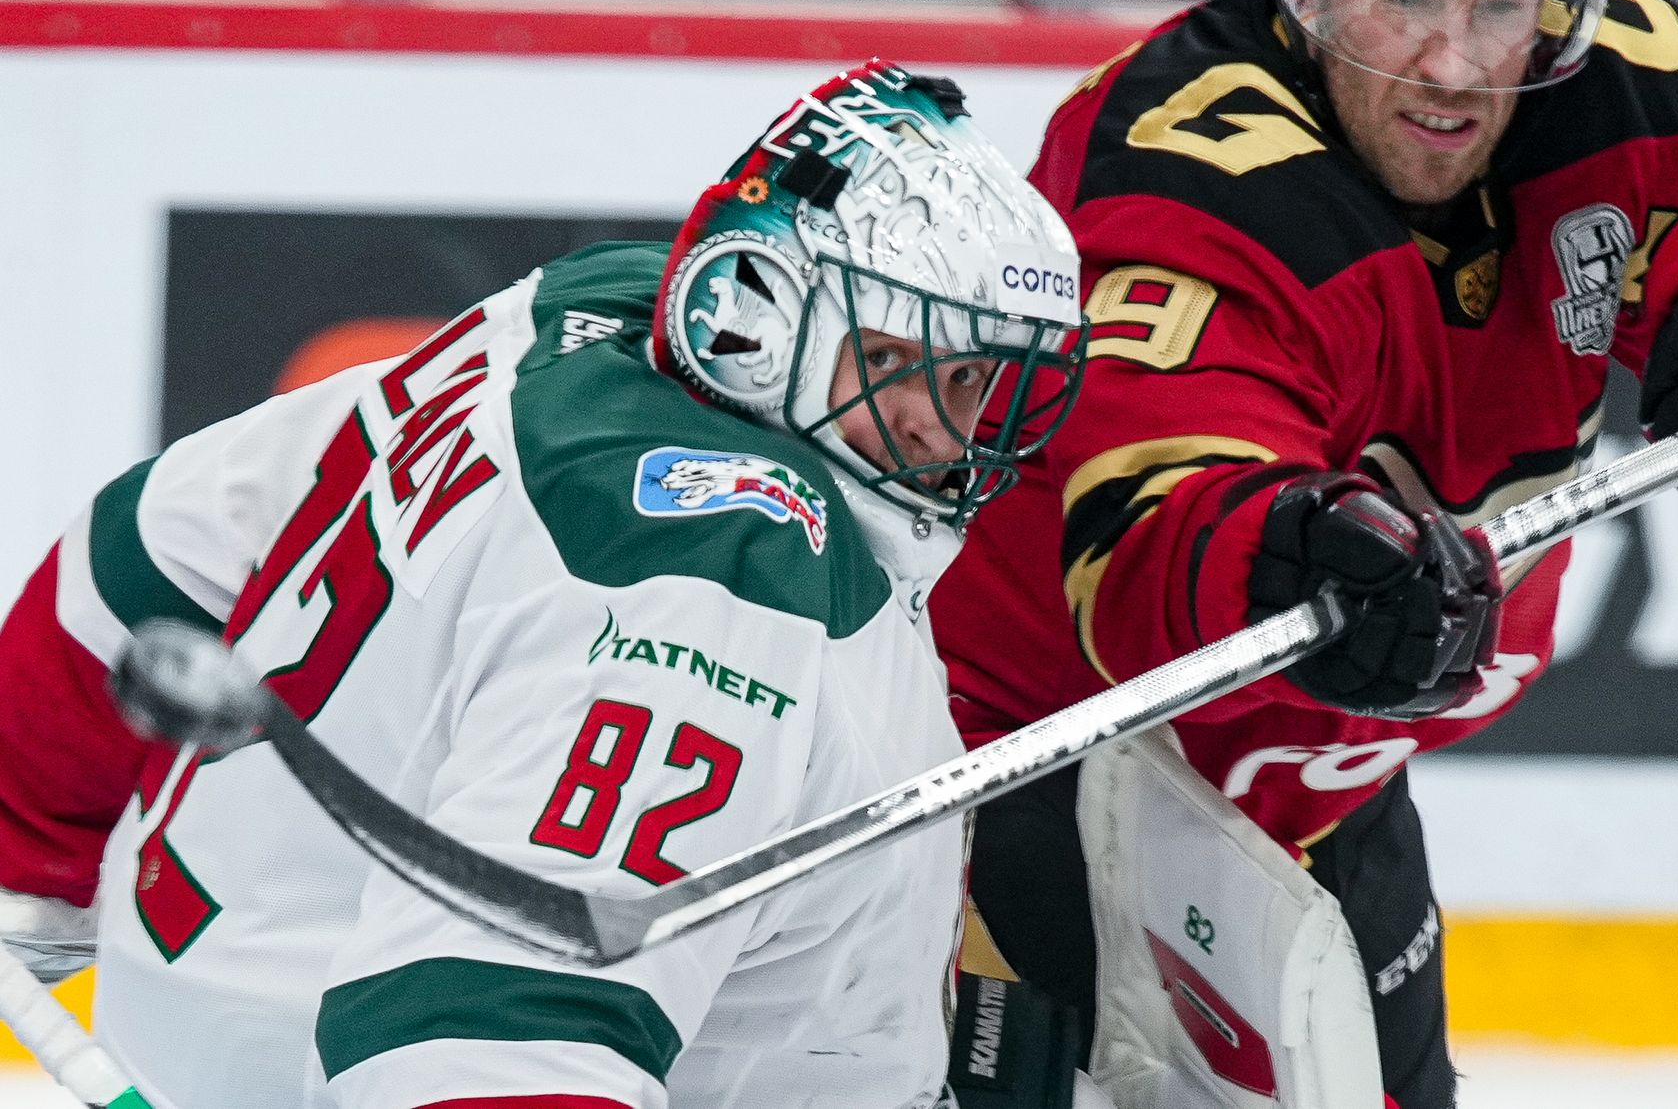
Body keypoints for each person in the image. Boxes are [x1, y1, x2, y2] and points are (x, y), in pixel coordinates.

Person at [930, 0, 1678, 1106]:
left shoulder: (1642, 93)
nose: (1453, 67)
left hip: (1322, 802)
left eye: (1501, 5)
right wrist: (1274, 547)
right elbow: (1148, 534)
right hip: (1022, 779)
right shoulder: (1200, 164)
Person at [0, 61, 1089, 1107]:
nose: (937, 425)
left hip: (219, 995)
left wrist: (18, 858)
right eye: (902, 362)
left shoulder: (578, 326)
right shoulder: (718, 574)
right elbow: (492, 1038)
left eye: (970, 377)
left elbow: (146, 550)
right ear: (756, 311)